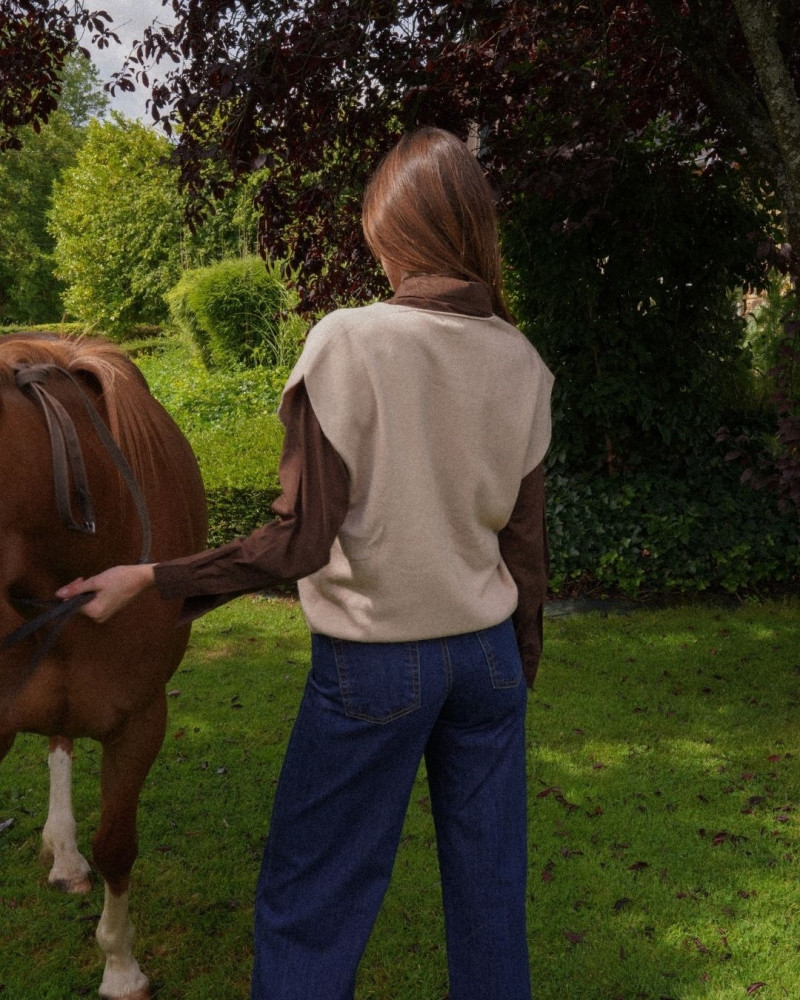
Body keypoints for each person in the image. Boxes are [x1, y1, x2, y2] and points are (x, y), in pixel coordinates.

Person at [57, 127, 554, 1000]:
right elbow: (526, 550)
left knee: (312, 902)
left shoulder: (350, 341)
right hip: (487, 663)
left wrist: (153, 578)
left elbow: (299, 543)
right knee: (490, 899)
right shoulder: (521, 358)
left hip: (376, 663)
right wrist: (518, 667)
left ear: (393, 234)